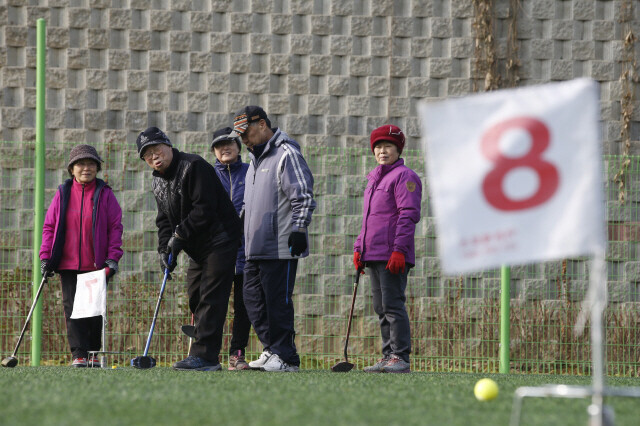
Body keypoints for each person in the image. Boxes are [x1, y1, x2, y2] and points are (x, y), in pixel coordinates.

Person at [136, 126, 241, 371]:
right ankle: (205, 338)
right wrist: (165, 249)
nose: (154, 157)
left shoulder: (194, 166)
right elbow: (163, 219)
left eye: (156, 149)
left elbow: (203, 208)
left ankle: (206, 356)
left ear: (168, 145)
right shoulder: (158, 181)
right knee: (195, 294)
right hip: (198, 246)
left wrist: (180, 235)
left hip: (221, 238)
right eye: (147, 155)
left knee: (211, 297)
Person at [232, 106, 316, 372]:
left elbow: (302, 194)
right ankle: (271, 350)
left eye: (246, 132)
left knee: (278, 303)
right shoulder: (255, 161)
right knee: (253, 302)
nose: (243, 139)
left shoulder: (286, 153)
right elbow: (247, 205)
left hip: (281, 246)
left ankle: (287, 358)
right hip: (254, 248)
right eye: (240, 135)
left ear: (263, 125)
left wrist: (299, 229)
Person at [39, 144, 123, 368]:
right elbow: (49, 226)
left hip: (96, 264)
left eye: (91, 164)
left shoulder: (105, 194)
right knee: (73, 308)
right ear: (72, 169)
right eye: (81, 164)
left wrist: (113, 257)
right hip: (67, 263)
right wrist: (45, 256)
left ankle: (93, 353)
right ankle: (79, 354)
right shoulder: (62, 193)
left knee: (94, 309)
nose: (86, 168)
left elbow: (115, 227)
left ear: (97, 168)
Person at [353, 125, 422, 373]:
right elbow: (368, 218)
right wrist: (359, 248)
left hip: (393, 254)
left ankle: (400, 357)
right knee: (380, 307)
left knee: (393, 305)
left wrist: (399, 251)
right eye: (378, 147)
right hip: (373, 253)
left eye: (388, 146)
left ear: (398, 149)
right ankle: (387, 356)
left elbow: (408, 215)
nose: (382, 151)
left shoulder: (405, 176)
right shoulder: (374, 178)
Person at [210, 126, 251, 370]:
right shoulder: (208, 175)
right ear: (214, 150)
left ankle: (237, 353)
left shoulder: (251, 171)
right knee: (214, 304)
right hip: (216, 251)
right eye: (219, 145)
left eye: (230, 143)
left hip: (247, 250)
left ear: (239, 147)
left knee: (244, 305)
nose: (225, 148)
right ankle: (208, 353)